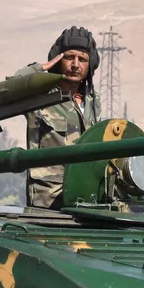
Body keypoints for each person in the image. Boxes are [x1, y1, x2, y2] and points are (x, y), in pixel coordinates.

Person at [19, 26, 102, 209]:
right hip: (47, 200)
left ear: (91, 65)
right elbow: (10, 86)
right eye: (69, 57)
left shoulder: (93, 102)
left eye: (82, 59)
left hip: (84, 197)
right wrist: (40, 68)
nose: (75, 65)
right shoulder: (40, 96)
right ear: (57, 59)